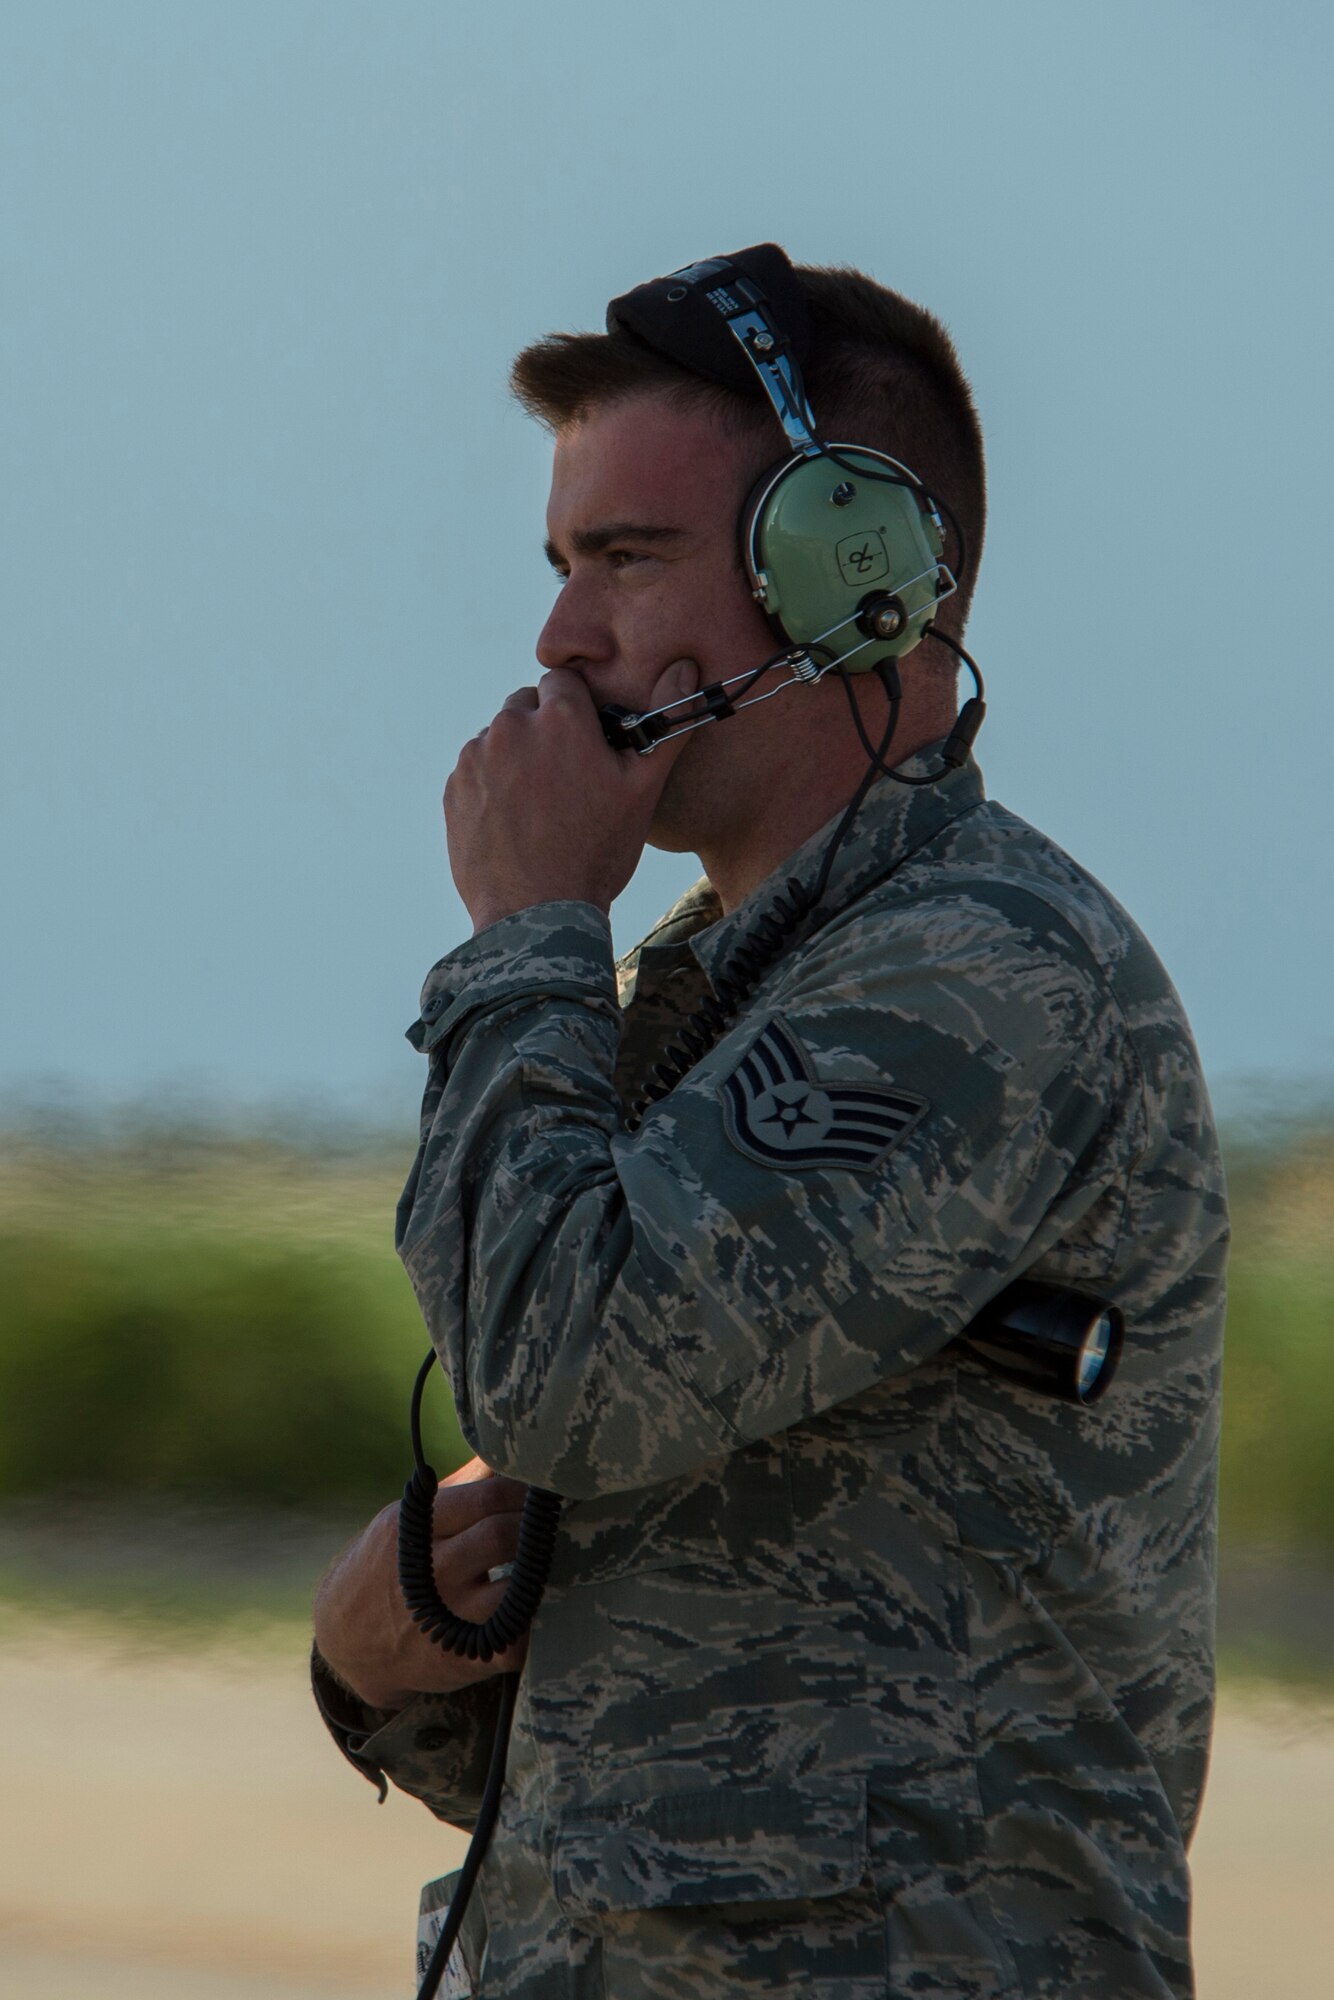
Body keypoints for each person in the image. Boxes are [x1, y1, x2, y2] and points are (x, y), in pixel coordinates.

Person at [312, 247, 1227, 1999]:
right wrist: (387, 1659)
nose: (560, 638)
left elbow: (562, 1380)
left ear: (850, 576)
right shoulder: (727, 982)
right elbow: (659, 1748)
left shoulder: (980, 980)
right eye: (563, 563)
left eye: (625, 560)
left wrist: (523, 937)